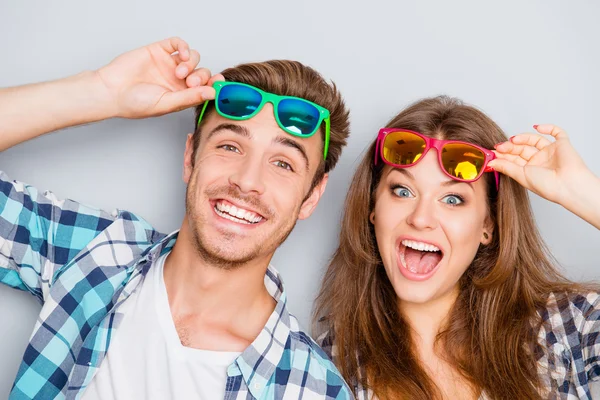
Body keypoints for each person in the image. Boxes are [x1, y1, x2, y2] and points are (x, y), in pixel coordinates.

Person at [0, 37, 353, 399]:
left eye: (283, 164)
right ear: (190, 157)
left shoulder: (314, 389)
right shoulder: (97, 252)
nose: (248, 180)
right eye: (230, 146)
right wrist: (99, 91)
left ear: (312, 196)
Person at [314, 95, 600, 399]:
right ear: (373, 208)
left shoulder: (562, 326)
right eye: (402, 191)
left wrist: (584, 193)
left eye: (452, 199)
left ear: (488, 226)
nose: (421, 218)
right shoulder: (333, 359)